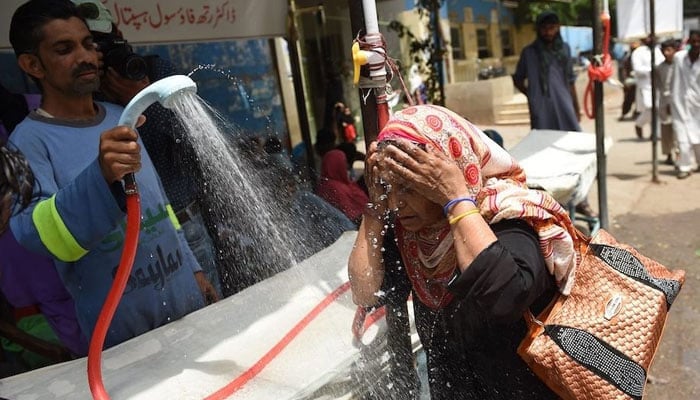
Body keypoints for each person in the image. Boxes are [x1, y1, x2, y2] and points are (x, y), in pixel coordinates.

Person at [7, 0, 214, 350]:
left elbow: (160, 205)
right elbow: (35, 234)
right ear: (31, 64)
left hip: (184, 300)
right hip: (123, 332)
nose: (86, 57)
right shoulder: (26, 141)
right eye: (64, 49)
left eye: (88, 44)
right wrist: (100, 176)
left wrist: (193, 269)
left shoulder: (122, 116)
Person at [348, 105, 579, 399]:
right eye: (387, 187)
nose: (396, 202)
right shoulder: (413, 237)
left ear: (448, 172)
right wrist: (375, 211)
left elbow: (506, 297)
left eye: (408, 187)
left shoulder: (510, 217)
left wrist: (456, 198)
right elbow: (364, 290)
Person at [74, 0, 222, 301]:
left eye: (107, 40)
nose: (101, 53)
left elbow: (193, 138)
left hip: (185, 222)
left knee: (209, 310)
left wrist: (141, 99)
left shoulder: (155, 71)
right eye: (94, 44)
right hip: (130, 237)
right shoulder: (87, 96)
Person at [513, 11, 597, 218]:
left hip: (565, 107)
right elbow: (518, 78)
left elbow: (570, 81)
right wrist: (532, 96)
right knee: (544, 154)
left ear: (558, 27)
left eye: (552, 27)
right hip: (542, 110)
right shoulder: (529, 52)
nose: (548, 32)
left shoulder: (564, 50)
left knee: (572, 152)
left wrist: (576, 108)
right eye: (544, 28)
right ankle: (550, 204)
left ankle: (580, 201)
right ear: (539, 30)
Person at [670, 30, 700, 179]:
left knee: (698, 137)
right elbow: (672, 81)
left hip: (698, 106)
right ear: (688, 43)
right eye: (693, 41)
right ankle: (684, 166)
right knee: (682, 138)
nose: (696, 44)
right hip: (679, 103)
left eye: (698, 42)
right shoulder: (679, 58)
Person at [315, 149, 369, 226]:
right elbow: (350, 215)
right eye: (344, 162)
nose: (346, 165)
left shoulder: (335, 184)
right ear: (337, 164)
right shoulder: (334, 188)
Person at [631, 35, 664, 139]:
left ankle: (655, 133)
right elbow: (637, 68)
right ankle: (639, 124)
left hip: (658, 84)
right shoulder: (638, 52)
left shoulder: (658, 50)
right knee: (650, 107)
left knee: (658, 108)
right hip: (645, 84)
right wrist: (651, 70)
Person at [656, 39, 679, 166]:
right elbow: (659, 85)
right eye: (664, 50)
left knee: (678, 130)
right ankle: (668, 154)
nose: (666, 53)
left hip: (678, 103)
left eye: (669, 50)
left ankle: (679, 155)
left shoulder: (679, 65)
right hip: (664, 103)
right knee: (666, 130)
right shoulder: (659, 68)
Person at [618, 41, 640, 121]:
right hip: (630, 81)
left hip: (639, 80)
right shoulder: (627, 58)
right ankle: (624, 113)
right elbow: (623, 70)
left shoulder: (640, 56)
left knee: (639, 99)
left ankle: (637, 113)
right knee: (628, 99)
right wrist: (625, 81)